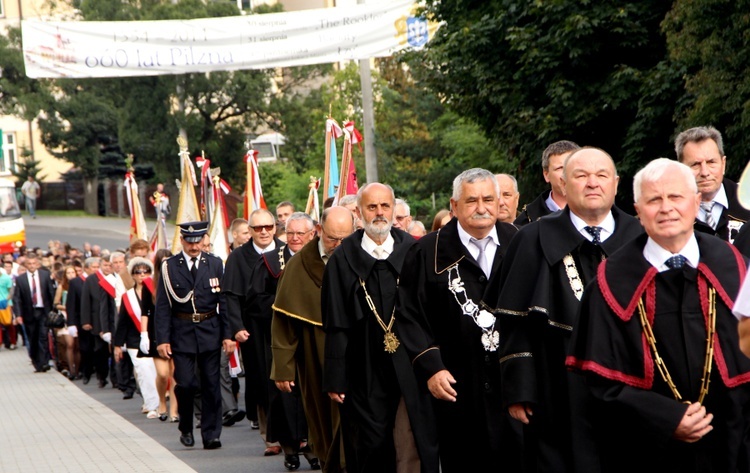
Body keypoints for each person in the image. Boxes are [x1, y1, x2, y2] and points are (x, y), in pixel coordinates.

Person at [567, 158, 750, 472]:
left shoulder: (737, 269)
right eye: (654, 199)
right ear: (638, 211)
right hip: (646, 451)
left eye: (676, 197)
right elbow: (597, 385)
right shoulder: (610, 282)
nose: (666, 208)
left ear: (695, 202)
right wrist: (666, 418)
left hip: (733, 445)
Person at [494, 147, 644, 472]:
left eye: (601, 175)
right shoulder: (531, 238)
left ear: (616, 184)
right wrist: (520, 388)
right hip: (556, 385)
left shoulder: (643, 237)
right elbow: (514, 324)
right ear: (562, 182)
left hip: (632, 381)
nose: (592, 183)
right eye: (581, 175)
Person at [396, 168, 522, 472]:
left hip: (513, 382)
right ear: (454, 206)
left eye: (488, 199)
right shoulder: (427, 251)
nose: (482, 208)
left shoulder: (520, 242)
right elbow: (409, 315)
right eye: (472, 200)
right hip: (457, 386)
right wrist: (432, 367)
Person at [322, 182, 439, 473]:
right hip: (364, 364)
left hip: (411, 360)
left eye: (385, 206)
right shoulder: (341, 259)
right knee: (371, 441)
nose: (379, 213)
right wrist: (336, 376)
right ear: (359, 213)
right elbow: (336, 322)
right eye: (371, 207)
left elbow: (430, 313)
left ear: (393, 209)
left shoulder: (414, 250)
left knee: (414, 436)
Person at [271, 206, 355, 473]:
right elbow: (284, 322)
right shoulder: (298, 266)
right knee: (323, 418)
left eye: (346, 238)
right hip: (314, 352)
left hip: (356, 352)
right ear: (318, 231)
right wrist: (283, 368)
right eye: (333, 239)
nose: (339, 245)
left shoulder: (361, 258)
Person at [246, 212, 319, 471]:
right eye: (290, 233)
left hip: (314, 338)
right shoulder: (268, 262)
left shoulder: (323, 260)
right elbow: (255, 300)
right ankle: (289, 448)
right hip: (280, 338)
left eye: (301, 233)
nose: (295, 238)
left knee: (313, 393)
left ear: (313, 234)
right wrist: (285, 308)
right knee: (284, 394)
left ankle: (312, 447)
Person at [155, 221, 233, 450]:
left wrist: (227, 335)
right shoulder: (170, 266)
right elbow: (162, 306)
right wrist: (162, 339)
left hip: (210, 330)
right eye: (189, 241)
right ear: (182, 241)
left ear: (203, 240)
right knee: (186, 384)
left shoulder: (215, 264)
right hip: (182, 332)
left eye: (198, 241)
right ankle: (186, 427)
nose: (194, 246)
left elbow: (224, 302)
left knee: (211, 385)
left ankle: (211, 434)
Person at [223, 208, 283, 455]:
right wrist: (236, 328)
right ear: (250, 231)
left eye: (268, 227)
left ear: (275, 228)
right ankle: (271, 437)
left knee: (289, 378)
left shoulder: (285, 252)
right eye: (258, 228)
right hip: (253, 328)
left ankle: (297, 433)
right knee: (260, 380)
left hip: (283, 325)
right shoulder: (238, 257)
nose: (264, 232)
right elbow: (230, 296)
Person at [675, 126, 750, 244]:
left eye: (711, 162)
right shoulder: (670, 215)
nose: (705, 172)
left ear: (723, 164)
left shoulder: (747, 203)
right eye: (695, 164)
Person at [114, 256, 160, 418]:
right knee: (143, 372)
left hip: (155, 338)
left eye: (146, 271)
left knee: (157, 373)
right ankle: (152, 404)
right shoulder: (128, 297)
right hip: (134, 340)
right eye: (138, 272)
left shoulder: (157, 292)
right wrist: (117, 345)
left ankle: (159, 402)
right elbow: (122, 322)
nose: (142, 274)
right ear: (132, 275)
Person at [514, 140, 580, 226]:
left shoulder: (598, 212)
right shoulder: (527, 220)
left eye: (571, 166)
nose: (566, 173)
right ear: (546, 175)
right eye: (559, 168)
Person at [148, 248, 178, 422]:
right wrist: (144, 335)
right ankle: (161, 401)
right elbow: (146, 312)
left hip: (176, 331)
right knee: (162, 373)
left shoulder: (177, 279)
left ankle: (174, 410)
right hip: (157, 333)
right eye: (163, 261)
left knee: (175, 373)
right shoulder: (150, 284)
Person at [14, 252, 55, 372]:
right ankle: (36, 361)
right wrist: (18, 315)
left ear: (37, 264)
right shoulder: (20, 279)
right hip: (29, 312)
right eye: (29, 264)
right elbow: (17, 298)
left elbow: (50, 293)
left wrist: (53, 310)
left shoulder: (45, 275)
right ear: (25, 265)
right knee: (32, 338)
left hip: (43, 311)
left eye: (34, 263)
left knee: (43, 336)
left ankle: (44, 362)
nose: (32, 266)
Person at [53, 266, 79, 379]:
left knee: (77, 346)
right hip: (66, 316)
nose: (71, 275)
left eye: (73, 272)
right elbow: (55, 304)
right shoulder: (61, 287)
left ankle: (78, 370)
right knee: (69, 344)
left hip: (78, 316)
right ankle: (71, 370)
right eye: (68, 273)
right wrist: (65, 307)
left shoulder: (79, 285)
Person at [0, 260, 14, 351]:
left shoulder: (6, 278)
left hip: (7, 304)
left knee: (9, 324)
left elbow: (11, 291)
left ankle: (13, 342)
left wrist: (7, 300)